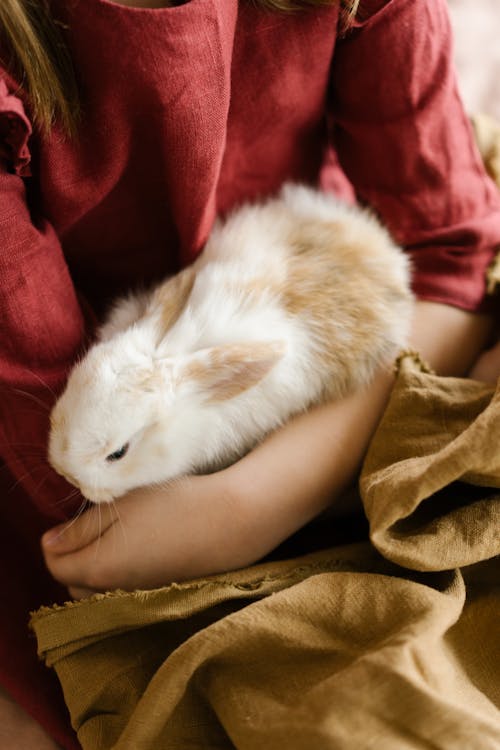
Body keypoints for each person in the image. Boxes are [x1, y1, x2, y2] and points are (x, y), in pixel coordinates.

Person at [1, 0, 499, 747]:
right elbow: (45, 435)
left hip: (352, 360)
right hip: (110, 508)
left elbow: (452, 254)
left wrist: (248, 504)